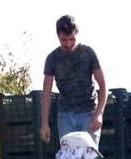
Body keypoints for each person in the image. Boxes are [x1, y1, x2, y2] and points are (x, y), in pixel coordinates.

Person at [41, 15, 107, 143]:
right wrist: (44, 123)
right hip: (65, 114)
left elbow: (103, 84)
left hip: (89, 113)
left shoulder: (88, 53)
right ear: (58, 36)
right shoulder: (52, 58)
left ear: (77, 34)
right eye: (64, 40)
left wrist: (99, 114)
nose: (68, 44)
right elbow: (46, 93)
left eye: (72, 39)